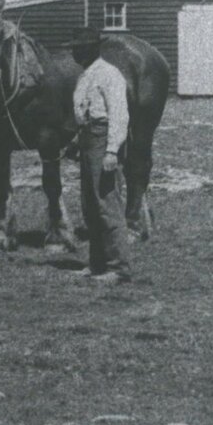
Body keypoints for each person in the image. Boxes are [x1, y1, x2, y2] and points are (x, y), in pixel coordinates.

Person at [68, 28, 132, 283]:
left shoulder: (109, 74)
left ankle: (119, 267)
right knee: (90, 204)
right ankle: (97, 264)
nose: (74, 53)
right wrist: (77, 139)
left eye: (78, 48)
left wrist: (111, 150)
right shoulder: (86, 75)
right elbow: (85, 110)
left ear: (91, 49)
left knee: (107, 203)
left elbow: (119, 114)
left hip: (102, 138)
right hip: (88, 138)